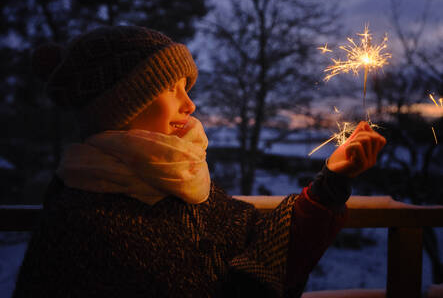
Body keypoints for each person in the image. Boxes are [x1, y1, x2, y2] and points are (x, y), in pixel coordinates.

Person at [13, 26, 386, 298]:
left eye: (187, 89)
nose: (189, 105)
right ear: (122, 105)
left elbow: (264, 248)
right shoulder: (82, 217)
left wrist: (333, 178)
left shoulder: (178, 179)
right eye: (170, 89)